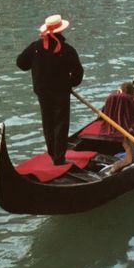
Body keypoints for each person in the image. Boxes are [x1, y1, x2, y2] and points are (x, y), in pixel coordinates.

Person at [16, 14, 84, 165]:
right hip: (61, 92)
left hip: (42, 92)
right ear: (61, 31)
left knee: (48, 122)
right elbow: (78, 73)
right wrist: (71, 83)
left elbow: (21, 63)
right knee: (61, 122)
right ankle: (59, 158)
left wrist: (35, 64)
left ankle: (53, 153)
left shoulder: (36, 47)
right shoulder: (67, 50)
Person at [98, 81, 134, 175]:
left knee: (130, 158)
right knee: (131, 159)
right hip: (124, 131)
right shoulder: (131, 101)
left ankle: (115, 168)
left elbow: (102, 114)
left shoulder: (111, 97)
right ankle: (115, 168)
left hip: (110, 129)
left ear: (121, 90)